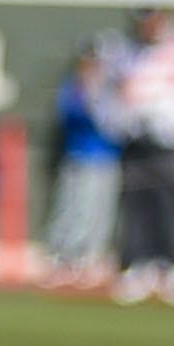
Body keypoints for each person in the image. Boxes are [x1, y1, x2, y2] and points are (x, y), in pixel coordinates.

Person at [101, 0, 174, 305]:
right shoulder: (124, 50)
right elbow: (112, 94)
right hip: (136, 139)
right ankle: (138, 265)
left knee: (173, 205)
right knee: (137, 207)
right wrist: (122, 123)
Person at [41, 39, 120, 288]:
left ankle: (89, 259)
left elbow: (116, 122)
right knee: (73, 209)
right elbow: (72, 116)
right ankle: (63, 258)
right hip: (79, 156)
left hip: (106, 158)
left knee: (99, 212)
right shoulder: (73, 87)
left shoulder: (110, 88)